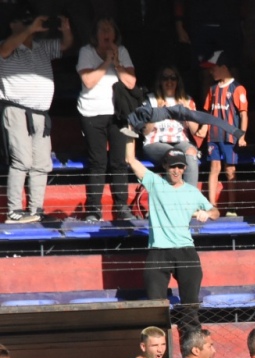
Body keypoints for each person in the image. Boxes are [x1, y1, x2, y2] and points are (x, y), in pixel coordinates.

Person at [124, 139, 219, 334]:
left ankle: (190, 345)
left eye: (179, 166)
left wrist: (207, 214)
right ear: (165, 167)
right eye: (172, 166)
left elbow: (215, 211)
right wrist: (129, 136)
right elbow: (131, 160)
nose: (175, 170)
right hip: (159, 251)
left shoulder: (192, 192)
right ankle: (158, 351)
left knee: (190, 307)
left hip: (185, 251)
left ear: (184, 168)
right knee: (155, 309)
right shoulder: (155, 183)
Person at [0, 9, 72, 224]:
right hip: (15, 109)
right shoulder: (7, 44)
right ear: (13, 24)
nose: (32, 25)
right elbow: (5, 50)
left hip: (40, 112)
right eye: (26, 21)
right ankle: (14, 211)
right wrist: (30, 29)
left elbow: (66, 45)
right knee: (21, 159)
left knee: (41, 163)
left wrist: (66, 29)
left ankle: (36, 209)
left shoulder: (42, 46)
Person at [76, 17, 136, 222]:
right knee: (98, 162)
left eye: (109, 29)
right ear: (95, 35)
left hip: (117, 114)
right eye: (102, 29)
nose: (106, 33)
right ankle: (94, 209)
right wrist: (107, 61)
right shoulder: (86, 52)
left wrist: (117, 62)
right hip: (92, 113)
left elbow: (131, 83)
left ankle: (122, 207)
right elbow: (88, 80)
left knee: (119, 162)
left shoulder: (123, 51)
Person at [202, 50, 248, 215]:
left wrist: (241, 134)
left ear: (223, 67)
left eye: (213, 68)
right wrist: (203, 128)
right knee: (214, 167)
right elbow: (208, 113)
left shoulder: (237, 88)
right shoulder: (212, 89)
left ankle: (231, 206)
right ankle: (211, 205)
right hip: (213, 136)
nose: (211, 71)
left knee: (230, 170)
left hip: (229, 136)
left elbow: (243, 113)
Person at [140, 66, 201, 188]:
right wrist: (157, 112)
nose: (169, 82)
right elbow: (145, 132)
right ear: (160, 81)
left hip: (180, 141)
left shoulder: (187, 100)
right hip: (155, 143)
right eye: (165, 78)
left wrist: (188, 112)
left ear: (178, 81)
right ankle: (174, 197)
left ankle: (190, 199)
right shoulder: (151, 100)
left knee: (191, 152)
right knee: (174, 154)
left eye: (173, 78)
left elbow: (196, 131)